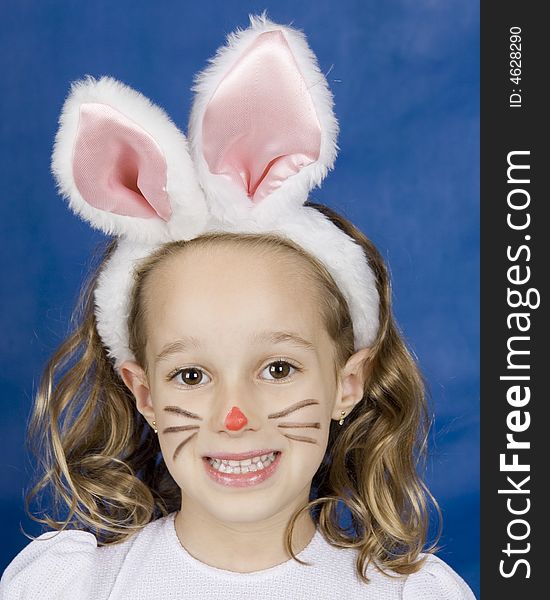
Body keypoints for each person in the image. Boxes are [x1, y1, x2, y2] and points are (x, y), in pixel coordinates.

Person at [0, 12, 476, 600]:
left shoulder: (409, 595)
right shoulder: (74, 586)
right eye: (191, 374)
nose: (236, 414)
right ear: (145, 392)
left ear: (347, 382)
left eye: (278, 368)